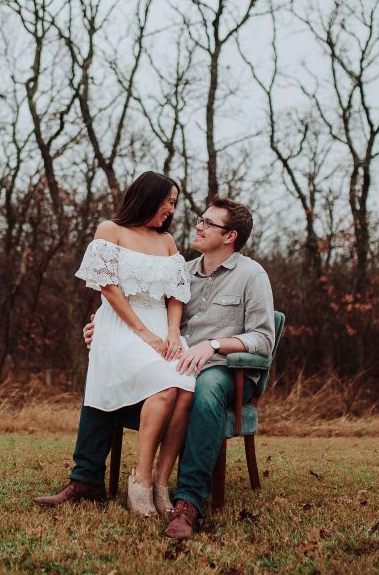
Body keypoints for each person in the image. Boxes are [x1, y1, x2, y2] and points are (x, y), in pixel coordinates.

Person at [35, 195, 275, 540]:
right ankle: (87, 477)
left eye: (209, 223)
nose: (198, 225)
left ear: (230, 236)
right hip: (174, 360)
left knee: (200, 387)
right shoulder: (184, 271)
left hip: (226, 369)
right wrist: (99, 326)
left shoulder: (252, 275)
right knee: (114, 367)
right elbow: (145, 307)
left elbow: (263, 338)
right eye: (200, 219)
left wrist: (214, 345)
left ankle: (188, 501)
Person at [50, 171, 196, 516]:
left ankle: (159, 482)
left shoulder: (168, 242)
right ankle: (134, 481)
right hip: (122, 325)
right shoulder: (110, 231)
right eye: (168, 201)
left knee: (185, 385)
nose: (171, 210)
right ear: (149, 197)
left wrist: (173, 334)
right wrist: (143, 333)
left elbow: (176, 294)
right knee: (164, 383)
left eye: (174, 204)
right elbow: (108, 288)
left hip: (163, 329)